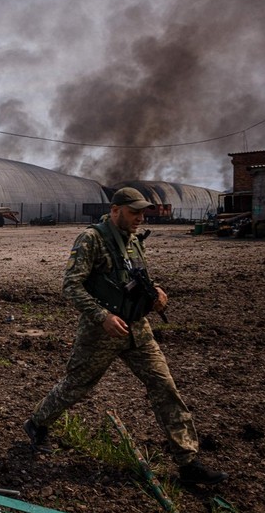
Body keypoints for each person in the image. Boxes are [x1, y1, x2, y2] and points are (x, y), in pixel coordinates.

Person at [23, 187, 227, 486]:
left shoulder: (134, 241)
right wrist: (101, 316)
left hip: (137, 329)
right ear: (116, 210)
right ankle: (37, 423)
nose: (140, 218)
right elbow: (71, 286)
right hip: (101, 331)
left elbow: (137, 277)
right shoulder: (92, 239)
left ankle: (188, 461)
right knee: (76, 385)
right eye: (134, 212)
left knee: (164, 386)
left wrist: (156, 293)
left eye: (143, 212)